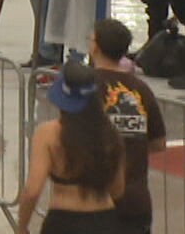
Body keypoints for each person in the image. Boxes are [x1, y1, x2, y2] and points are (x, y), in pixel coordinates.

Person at [16, 63, 125, 234]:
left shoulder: (48, 133)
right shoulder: (110, 133)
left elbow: (32, 190)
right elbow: (118, 189)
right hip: (105, 220)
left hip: (63, 221)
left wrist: (22, 226)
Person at [89, 19, 168, 234]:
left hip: (95, 201)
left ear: (95, 46)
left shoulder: (86, 86)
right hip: (136, 200)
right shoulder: (141, 89)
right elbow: (159, 142)